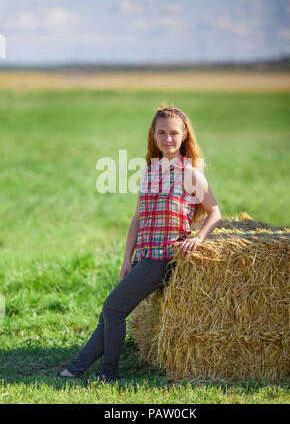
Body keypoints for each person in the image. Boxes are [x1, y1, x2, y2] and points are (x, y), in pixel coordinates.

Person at [57, 105, 222, 383]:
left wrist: (198, 237)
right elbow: (137, 218)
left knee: (113, 309)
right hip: (144, 256)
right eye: (161, 133)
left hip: (164, 257)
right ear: (153, 135)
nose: (167, 139)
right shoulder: (149, 172)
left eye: (173, 133)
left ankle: (108, 374)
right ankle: (76, 368)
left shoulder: (190, 174)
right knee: (110, 313)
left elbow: (215, 211)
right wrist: (126, 260)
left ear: (183, 136)